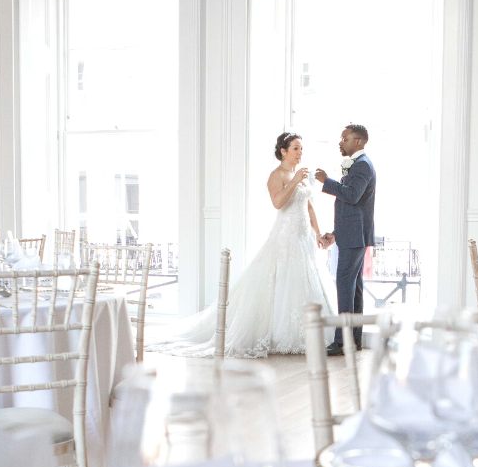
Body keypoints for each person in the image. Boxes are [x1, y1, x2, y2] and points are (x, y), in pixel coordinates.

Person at [150, 133, 338, 357]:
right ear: (283, 151)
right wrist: (295, 180)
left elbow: (308, 207)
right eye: (296, 148)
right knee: (282, 282)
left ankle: (310, 334)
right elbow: (278, 203)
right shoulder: (277, 175)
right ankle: (280, 335)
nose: (300, 153)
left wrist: (317, 233)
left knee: (306, 281)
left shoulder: (300, 175)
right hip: (285, 237)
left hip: (303, 237)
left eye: (301, 149)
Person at [313, 124, 375, 355]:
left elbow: (352, 195)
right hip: (352, 234)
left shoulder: (362, 166)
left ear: (358, 142)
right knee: (355, 289)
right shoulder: (359, 165)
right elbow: (354, 208)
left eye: (345, 138)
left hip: (355, 237)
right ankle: (353, 341)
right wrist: (336, 233)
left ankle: (342, 342)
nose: (341, 142)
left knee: (345, 288)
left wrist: (326, 181)